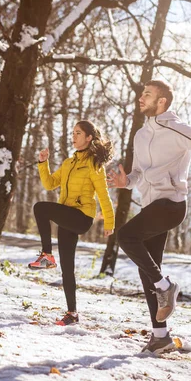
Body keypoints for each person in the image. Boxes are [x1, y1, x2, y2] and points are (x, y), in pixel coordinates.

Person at [107, 80, 191, 353]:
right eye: (141, 93)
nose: (141, 97)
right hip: (150, 207)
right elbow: (138, 175)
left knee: (126, 236)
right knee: (146, 268)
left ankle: (166, 286)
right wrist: (125, 182)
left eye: (147, 94)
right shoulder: (140, 134)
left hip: (171, 205)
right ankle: (160, 337)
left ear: (162, 101)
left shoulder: (178, 129)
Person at [29, 120, 115, 326]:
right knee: (67, 268)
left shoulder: (94, 165)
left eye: (78, 133)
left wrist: (109, 222)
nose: (73, 136)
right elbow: (50, 184)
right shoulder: (68, 163)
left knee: (40, 208)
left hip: (81, 218)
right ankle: (72, 313)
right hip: (67, 216)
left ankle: (47, 255)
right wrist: (43, 163)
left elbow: (104, 196)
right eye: (73, 133)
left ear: (89, 138)